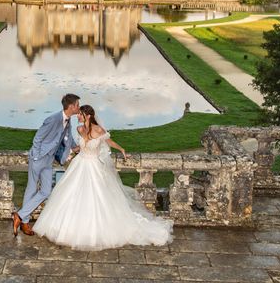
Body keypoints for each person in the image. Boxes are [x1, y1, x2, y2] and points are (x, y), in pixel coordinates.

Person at [31, 105, 173, 250]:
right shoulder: (79, 129)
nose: (77, 116)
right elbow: (79, 147)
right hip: (79, 164)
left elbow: (108, 142)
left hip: (93, 166)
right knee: (72, 194)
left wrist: (121, 149)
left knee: (96, 196)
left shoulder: (98, 130)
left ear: (87, 115)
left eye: (80, 114)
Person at [12, 93, 80, 236]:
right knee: (31, 189)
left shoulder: (67, 121)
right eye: (77, 105)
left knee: (46, 191)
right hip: (39, 159)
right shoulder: (53, 119)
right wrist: (36, 156)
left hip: (49, 161)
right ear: (71, 106)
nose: (78, 108)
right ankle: (24, 223)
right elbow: (37, 138)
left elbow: (68, 137)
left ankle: (19, 215)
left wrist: (75, 147)